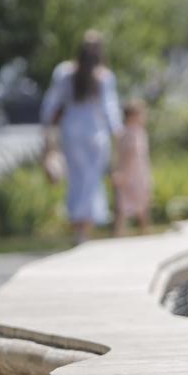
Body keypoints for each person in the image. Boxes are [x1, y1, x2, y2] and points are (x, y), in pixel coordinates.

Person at [41, 31, 123, 243]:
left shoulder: (64, 72)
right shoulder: (104, 76)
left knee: (78, 180)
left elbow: (51, 105)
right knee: (91, 180)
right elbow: (110, 111)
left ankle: (80, 228)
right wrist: (118, 136)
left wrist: (48, 135)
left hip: (72, 132)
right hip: (96, 134)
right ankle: (84, 228)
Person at [111, 99, 152, 237]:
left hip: (137, 172)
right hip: (131, 173)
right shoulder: (131, 133)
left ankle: (142, 231)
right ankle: (123, 232)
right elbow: (129, 153)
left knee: (137, 204)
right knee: (126, 205)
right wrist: (121, 172)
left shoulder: (133, 132)